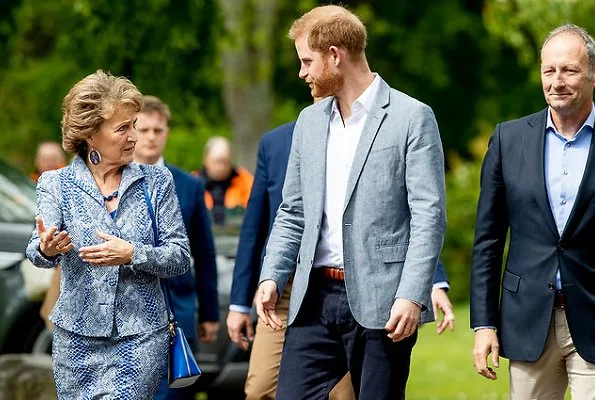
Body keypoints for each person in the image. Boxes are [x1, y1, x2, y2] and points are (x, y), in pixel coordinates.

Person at [254, 5, 447, 399]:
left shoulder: (412, 117)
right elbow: (292, 211)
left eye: (307, 61)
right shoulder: (309, 122)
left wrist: (411, 294)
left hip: (384, 302)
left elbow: (429, 216)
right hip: (312, 299)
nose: (302, 72)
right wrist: (272, 275)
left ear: (334, 55)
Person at [228, 117, 455, 399]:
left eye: (307, 67)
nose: (304, 74)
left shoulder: (376, 129)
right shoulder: (277, 142)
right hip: (288, 288)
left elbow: (406, 216)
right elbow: (261, 223)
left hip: (360, 283)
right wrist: (240, 301)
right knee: (262, 388)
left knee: (344, 393)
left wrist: (431, 283)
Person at [26, 70, 190, 399]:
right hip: (75, 338)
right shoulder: (56, 184)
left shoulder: (157, 181)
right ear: (91, 133)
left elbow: (180, 257)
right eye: (123, 128)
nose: (135, 137)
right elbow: (37, 251)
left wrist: (133, 253)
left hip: (141, 336)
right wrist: (47, 248)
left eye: (134, 125)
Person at [471, 24, 595, 400]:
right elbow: (488, 240)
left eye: (569, 70)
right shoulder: (508, 139)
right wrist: (483, 325)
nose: (557, 81)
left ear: (592, 74)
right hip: (527, 322)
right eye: (549, 70)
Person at [133, 95, 219, 400]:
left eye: (158, 130)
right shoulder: (112, 180)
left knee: (173, 392)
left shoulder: (189, 185)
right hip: (129, 307)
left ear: (167, 132)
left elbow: (204, 254)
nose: (151, 137)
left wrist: (209, 313)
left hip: (176, 307)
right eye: (143, 129)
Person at [31, 141, 67, 330]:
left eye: (53, 159)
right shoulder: (31, 185)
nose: (49, 163)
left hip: (62, 266)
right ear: (37, 162)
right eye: (45, 159)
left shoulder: (66, 185)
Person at [195, 136, 253, 225]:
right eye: (217, 161)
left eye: (225, 162)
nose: (221, 167)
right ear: (206, 159)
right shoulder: (193, 183)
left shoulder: (245, 181)